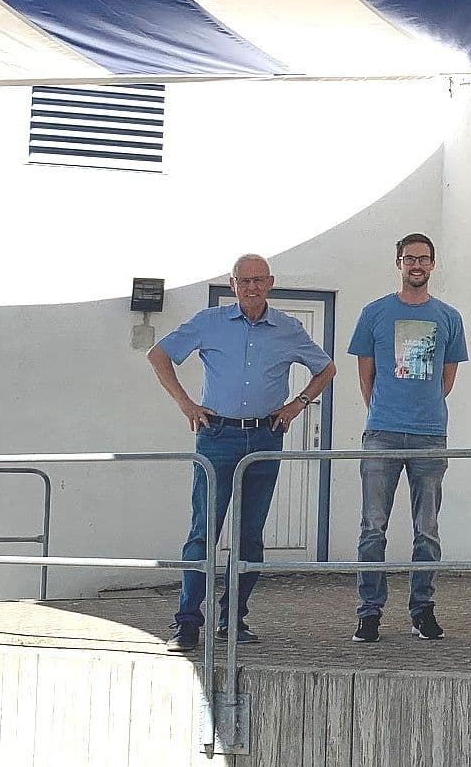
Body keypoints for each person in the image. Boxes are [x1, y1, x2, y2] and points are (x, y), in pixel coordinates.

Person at [149, 254, 336, 652]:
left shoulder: (288, 328)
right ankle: (187, 623)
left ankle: (233, 619)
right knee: (204, 532)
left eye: (258, 280)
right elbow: (159, 355)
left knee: (250, 535)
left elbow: (326, 369)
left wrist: (297, 404)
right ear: (232, 284)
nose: (251, 287)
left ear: (270, 283)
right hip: (217, 436)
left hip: (266, 436)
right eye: (244, 280)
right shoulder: (209, 322)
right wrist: (186, 404)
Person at [349, 233, 469, 644]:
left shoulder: (448, 317)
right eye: (409, 258)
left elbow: (447, 378)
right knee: (372, 528)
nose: (416, 265)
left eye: (423, 258)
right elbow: (366, 375)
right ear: (398, 262)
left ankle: (423, 610)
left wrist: (422, 408)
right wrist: (385, 410)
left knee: (427, 530)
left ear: (432, 264)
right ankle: (369, 613)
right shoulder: (374, 313)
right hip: (381, 434)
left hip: (430, 436)